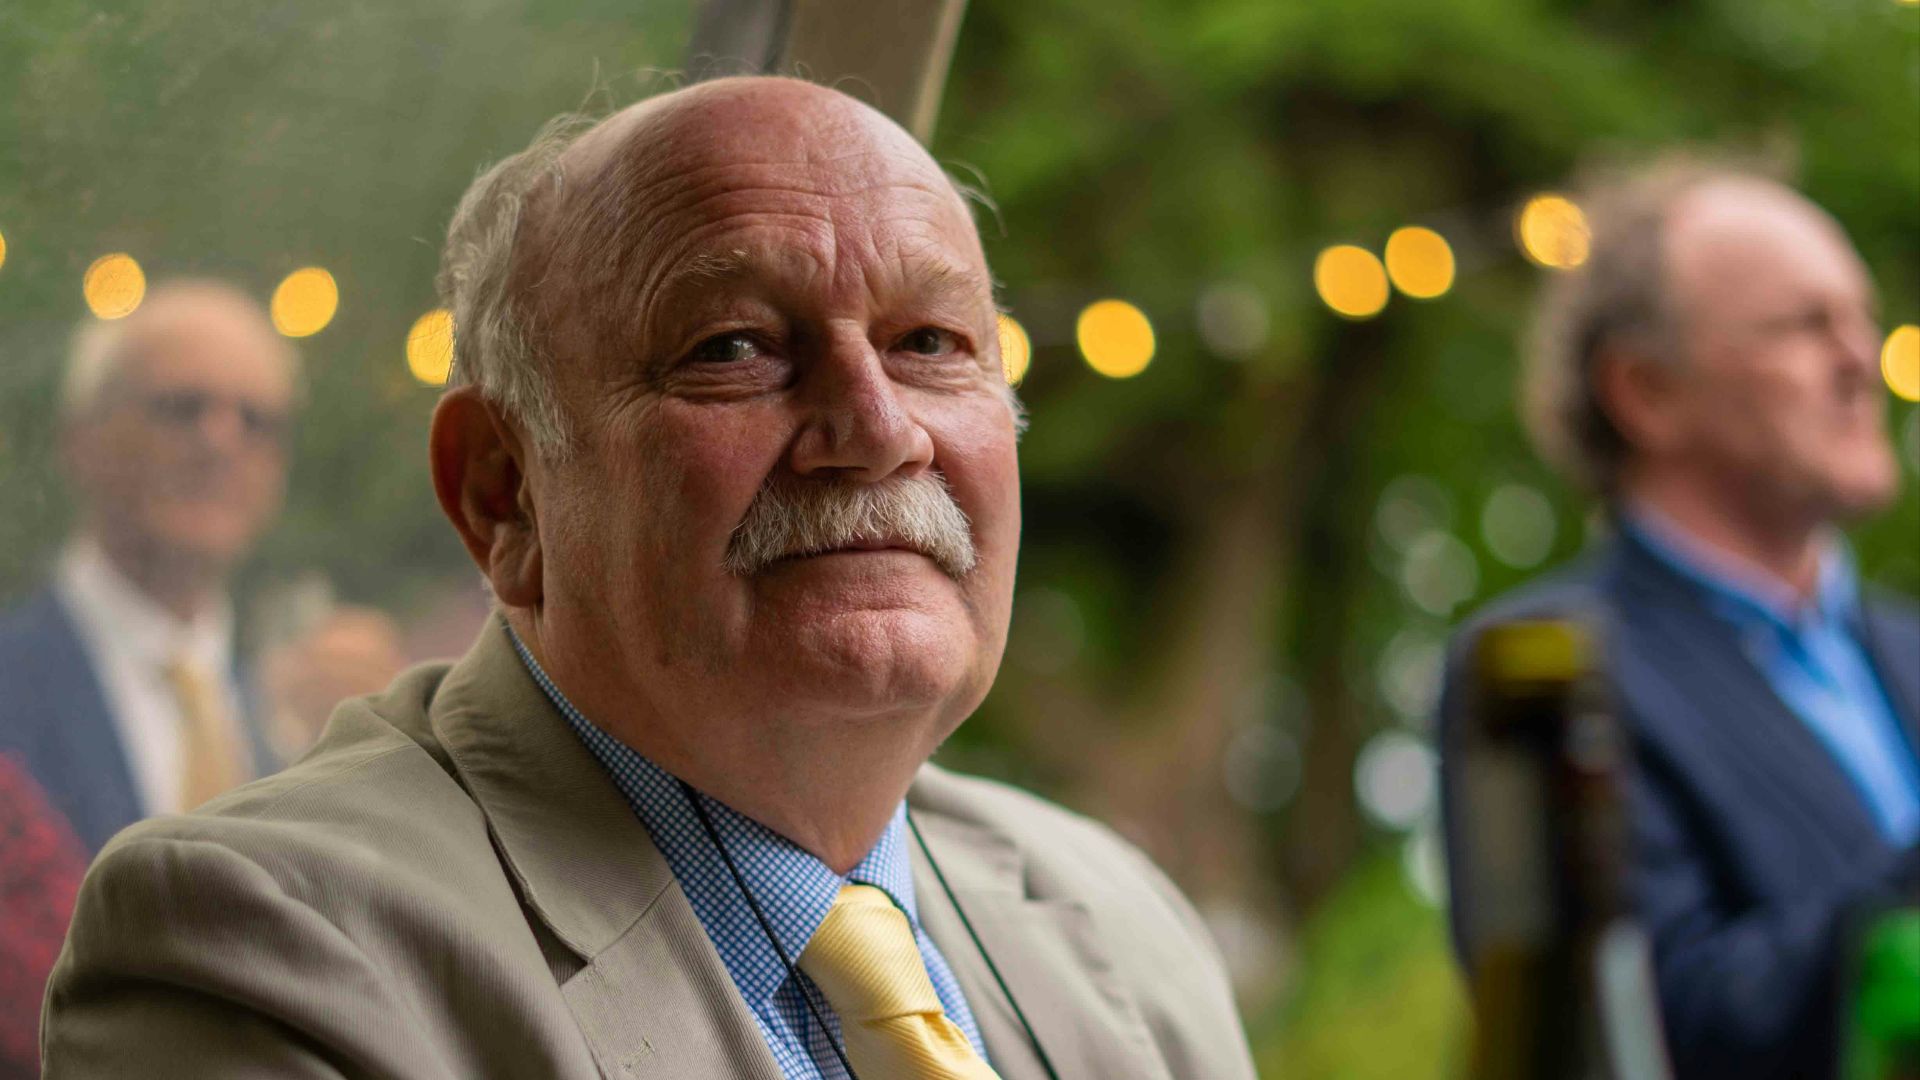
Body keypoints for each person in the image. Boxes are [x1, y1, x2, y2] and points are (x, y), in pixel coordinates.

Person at [43, 77, 1257, 1079]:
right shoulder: (255, 948)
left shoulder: (1116, 918)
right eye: (735, 347)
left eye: (930, 343)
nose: (879, 428)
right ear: (503, 493)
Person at [1438, 159, 1920, 1079]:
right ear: (1647, 392)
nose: (1863, 359)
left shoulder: (1909, 646)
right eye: (1805, 325)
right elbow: (1643, 1036)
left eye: (1862, 318)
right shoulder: (1546, 672)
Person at [0, 282, 298, 856]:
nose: (220, 441)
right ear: (83, 439)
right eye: (182, 408)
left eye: (256, 420)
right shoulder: (10, 687)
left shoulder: (293, 722)